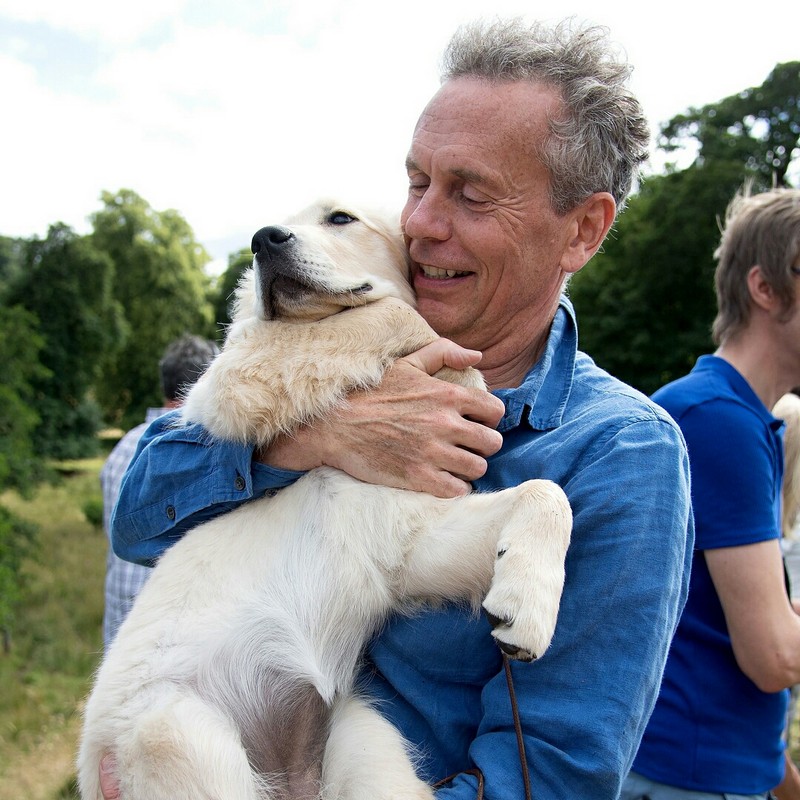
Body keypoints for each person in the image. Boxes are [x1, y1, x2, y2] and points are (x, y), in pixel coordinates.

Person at [102, 18, 693, 799]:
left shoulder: (620, 454)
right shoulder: (342, 352)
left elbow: (550, 774)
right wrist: (318, 438)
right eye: (417, 183)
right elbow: (140, 513)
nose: (419, 223)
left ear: (582, 228)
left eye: (470, 194)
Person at [621, 187, 800, 800]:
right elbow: (771, 654)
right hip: (687, 776)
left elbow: (718, 629)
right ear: (766, 288)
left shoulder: (733, 416)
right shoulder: (718, 421)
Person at [100, 334, 218, 648]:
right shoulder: (209, 453)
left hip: (119, 629)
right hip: (171, 636)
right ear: (208, 379)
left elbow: (110, 535)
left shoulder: (123, 447)